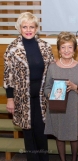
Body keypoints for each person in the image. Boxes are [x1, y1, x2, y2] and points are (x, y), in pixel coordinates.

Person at [3, 12, 54, 161]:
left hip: (42, 98)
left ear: (37, 28)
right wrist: (10, 99)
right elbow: (8, 76)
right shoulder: (12, 48)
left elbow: (52, 72)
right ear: (19, 28)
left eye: (31, 26)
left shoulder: (45, 47)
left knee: (41, 132)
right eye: (24, 26)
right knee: (28, 133)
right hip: (22, 99)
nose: (28, 29)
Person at [44, 31, 78, 161]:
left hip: (74, 108)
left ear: (74, 50)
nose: (66, 50)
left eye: (70, 47)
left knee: (74, 136)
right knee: (59, 136)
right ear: (59, 50)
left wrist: (76, 87)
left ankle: (74, 159)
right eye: (63, 47)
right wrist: (52, 94)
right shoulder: (52, 68)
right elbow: (46, 88)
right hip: (57, 109)